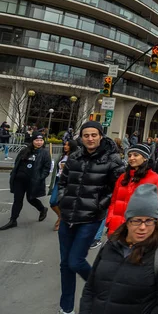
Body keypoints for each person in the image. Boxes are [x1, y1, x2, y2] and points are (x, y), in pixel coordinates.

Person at [56, 121, 125, 314]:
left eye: (94, 135)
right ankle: (66, 307)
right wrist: (63, 199)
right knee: (65, 265)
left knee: (75, 261)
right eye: (86, 135)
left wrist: (99, 205)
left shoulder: (112, 159)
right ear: (81, 137)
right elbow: (62, 181)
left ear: (101, 136)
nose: (90, 138)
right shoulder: (74, 156)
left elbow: (118, 188)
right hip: (68, 216)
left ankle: (102, 290)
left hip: (90, 218)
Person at [80, 184, 158, 314]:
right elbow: (90, 288)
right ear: (127, 221)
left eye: (149, 221)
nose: (143, 227)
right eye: (137, 220)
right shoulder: (110, 245)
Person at [105, 144, 158, 236]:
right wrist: (110, 220)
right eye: (129, 155)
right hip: (117, 228)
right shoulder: (122, 177)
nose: (131, 158)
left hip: (140, 231)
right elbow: (114, 201)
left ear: (145, 158)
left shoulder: (156, 180)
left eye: (135, 155)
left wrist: (147, 226)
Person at [0, 131, 51, 230]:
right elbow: (17, 163)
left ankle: (42, 209)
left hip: (33, 181)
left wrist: (39, 178)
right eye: (37, 140)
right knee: (17, 200)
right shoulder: (24, 150)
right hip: (19, 180)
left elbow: (46, 169)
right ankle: (13, 220)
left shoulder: (45, 153)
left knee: (31, 198)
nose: (39, 142)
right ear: (32, 141)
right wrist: (14, 174)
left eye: (41, 140)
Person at [48, 140, 79, 231]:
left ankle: (62, 220)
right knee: (53, 201)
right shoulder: (62, 155)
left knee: (64, 203)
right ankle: (61, 216)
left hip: (68, 182)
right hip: (58, 180)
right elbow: (56, 168)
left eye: (68, 145)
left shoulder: (75, 157)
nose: (65, 146)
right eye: (65, 145)